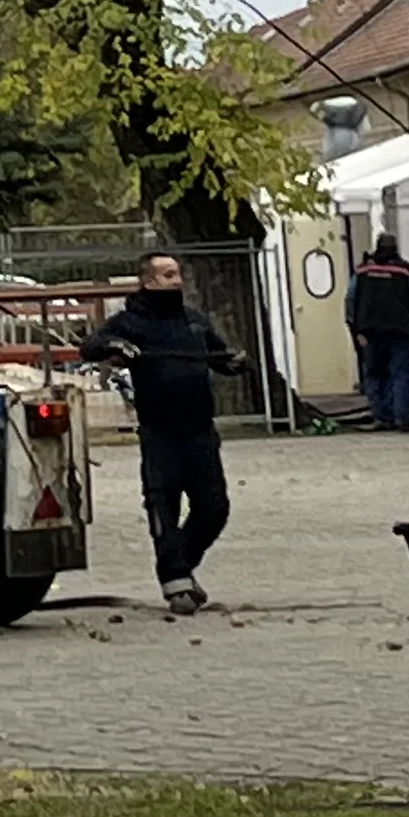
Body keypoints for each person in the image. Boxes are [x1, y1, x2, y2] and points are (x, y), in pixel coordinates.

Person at [81, 253, 241, 617]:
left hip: (201, 431)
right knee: (162, 506)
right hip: (161, 433)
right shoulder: (131, 322)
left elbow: (219, 354)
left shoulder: (194, 322)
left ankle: (179, 565)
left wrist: (233, 363)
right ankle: (176, 581)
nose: (176, 281)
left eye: (177, 274)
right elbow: (91, 346)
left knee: (214, 509)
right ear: (149, 282)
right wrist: (114, 347)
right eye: (168, 275)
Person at [347, 227, 409, 429]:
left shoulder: (362, 270)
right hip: (399, 330)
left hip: (370, 332)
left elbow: (351, 298)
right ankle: (402, 418)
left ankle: (381, 417)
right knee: (400, 373)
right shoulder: (405, 269)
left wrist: (356, 327)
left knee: (375, 374)